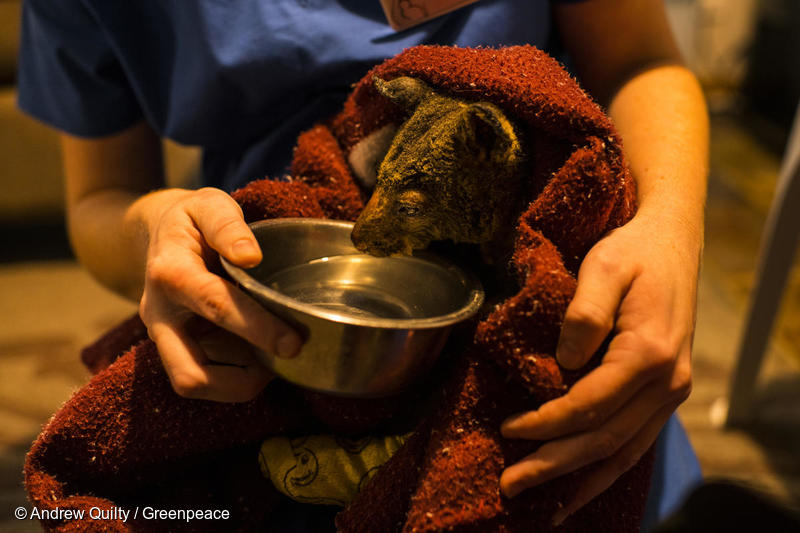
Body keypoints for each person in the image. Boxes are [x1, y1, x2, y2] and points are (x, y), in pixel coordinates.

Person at [18, 0, 708, 527]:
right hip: (264, 319)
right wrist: (158, 229)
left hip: (558, 341)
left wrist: (669, 233)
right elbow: (100, 199)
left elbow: (640, 60)